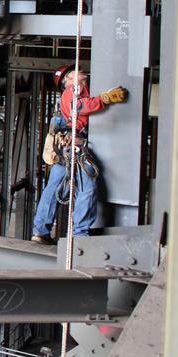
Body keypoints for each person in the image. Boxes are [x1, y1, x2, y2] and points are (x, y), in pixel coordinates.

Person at [30, 68, 127, 245]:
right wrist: (104, 99)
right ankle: (79, 234)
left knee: (54, 188)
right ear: (68, 79)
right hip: (74, 148)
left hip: (66, 149)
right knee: (87, 187)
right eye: (75, 70)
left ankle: (40, 231)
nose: (80, 70)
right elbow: (79, 106)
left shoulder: (71, 93)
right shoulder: (73, 89)